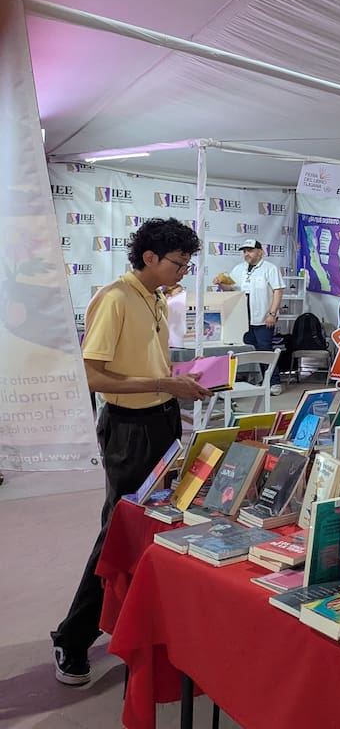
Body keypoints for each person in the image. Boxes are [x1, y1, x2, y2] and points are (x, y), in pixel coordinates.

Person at [51, 218, 213, 686]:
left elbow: (145, 364)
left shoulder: (156, 297)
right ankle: (71, 637)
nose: (183, 272)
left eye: (186, 264)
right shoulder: (116, 299)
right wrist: (164, 382)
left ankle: (134, 624)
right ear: (149, 258)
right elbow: (93, 376)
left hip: (162, 419)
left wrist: (180, 377)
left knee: (159, 525)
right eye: (178, 264)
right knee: (118, 532)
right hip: (129, 429)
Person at [215, 238, 284, 395]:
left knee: (265, 350)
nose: (247, 254)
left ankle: (274, 382)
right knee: (247, 350)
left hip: (263, 318)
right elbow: (231, 290)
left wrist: (272, 313)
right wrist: (221, 284)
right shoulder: (238, 269)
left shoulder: (270, 268)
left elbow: (278, 291)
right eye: (244, 251)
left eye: (250, 250)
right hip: (242, 319)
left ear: (260, 252)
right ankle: (257, 380)